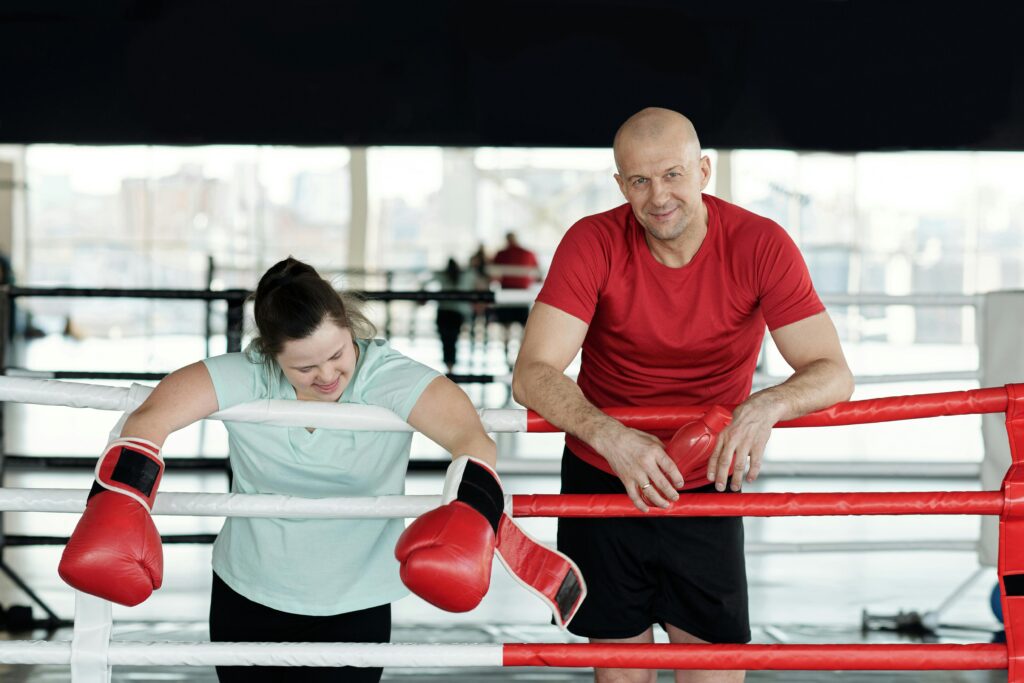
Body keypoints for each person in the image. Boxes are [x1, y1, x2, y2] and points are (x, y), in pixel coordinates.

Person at [511, 108, 854, 683]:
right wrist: (609, 435)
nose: (658, 196)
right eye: (639, 181)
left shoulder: (760, 243)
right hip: (604, 473)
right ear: (620, 185)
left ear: (703, 170)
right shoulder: (591, 241)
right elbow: (532, 372)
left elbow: (833, 372)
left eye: (672, 175)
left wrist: (766, 404)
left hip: (708, 479)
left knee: (713, 669)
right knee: (621, 672)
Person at [56, 257, 500, 683]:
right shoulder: (251, 374)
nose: (327, 375)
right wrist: (118, 502)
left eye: (337, 354)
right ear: (272, 355)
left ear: (349, 328)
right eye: (304, 366)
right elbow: (151, 418)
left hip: (356, 601)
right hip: (248, 593)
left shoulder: (387, 377)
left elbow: (472, 438)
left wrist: (470, 516)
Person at [490, 232, 540, 358]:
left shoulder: (502, 254)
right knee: (523, 328)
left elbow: (493, 276)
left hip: (508, 293)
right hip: (520, 294)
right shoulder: (527, 253)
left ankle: (508, 355)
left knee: (507, 328)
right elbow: (538, 276)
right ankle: (520, 357)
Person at [433, 256, 475, 373]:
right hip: (456, 313)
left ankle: (449, 366)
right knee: (452, 340)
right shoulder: (465, 276)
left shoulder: (442, 276)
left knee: (445, 341)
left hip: (443, 312)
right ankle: (450, 366)